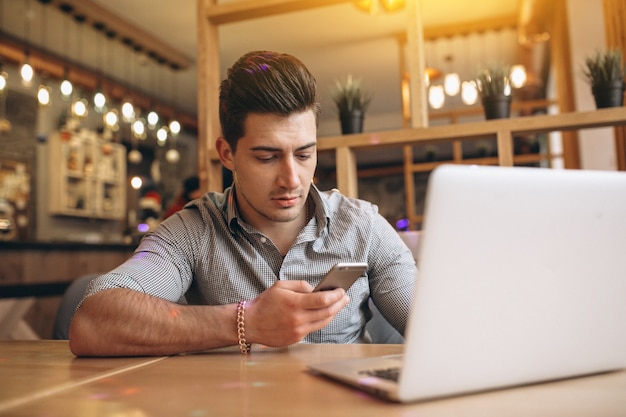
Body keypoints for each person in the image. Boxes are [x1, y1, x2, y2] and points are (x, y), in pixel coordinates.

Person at [69, 50, 416, 357]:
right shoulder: (193, 231)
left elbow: (438, 328)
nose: (292, 179)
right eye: (267, 157)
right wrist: (246, 321)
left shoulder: (362, 226)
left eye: (304, 154)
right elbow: (92, 321)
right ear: (227, 154)